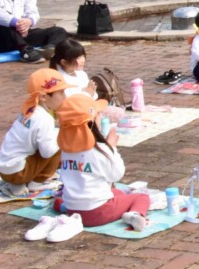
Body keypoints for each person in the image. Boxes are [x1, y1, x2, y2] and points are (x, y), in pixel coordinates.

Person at [53, 93, 150, 231]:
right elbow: (116, 175)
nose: (100, 117)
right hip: (99, 212)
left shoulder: (66, 150)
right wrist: (112, 149)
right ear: (91, 121)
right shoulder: (100, 150)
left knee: (118, 193)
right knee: (141, 197)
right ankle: (135, 214)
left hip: (72, 210)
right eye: (98, 114)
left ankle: (61, 206)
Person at [0, 69, 71, 197]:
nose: (65, 97)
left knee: (50, 140)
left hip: (4, 169)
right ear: (43, 97)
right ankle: (37, 182)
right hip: (17, 172)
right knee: (59, 143)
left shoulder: (30, 109)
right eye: (61, 93)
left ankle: (17, 183)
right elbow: (48, 152)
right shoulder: (44, 118)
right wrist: (62, 133)